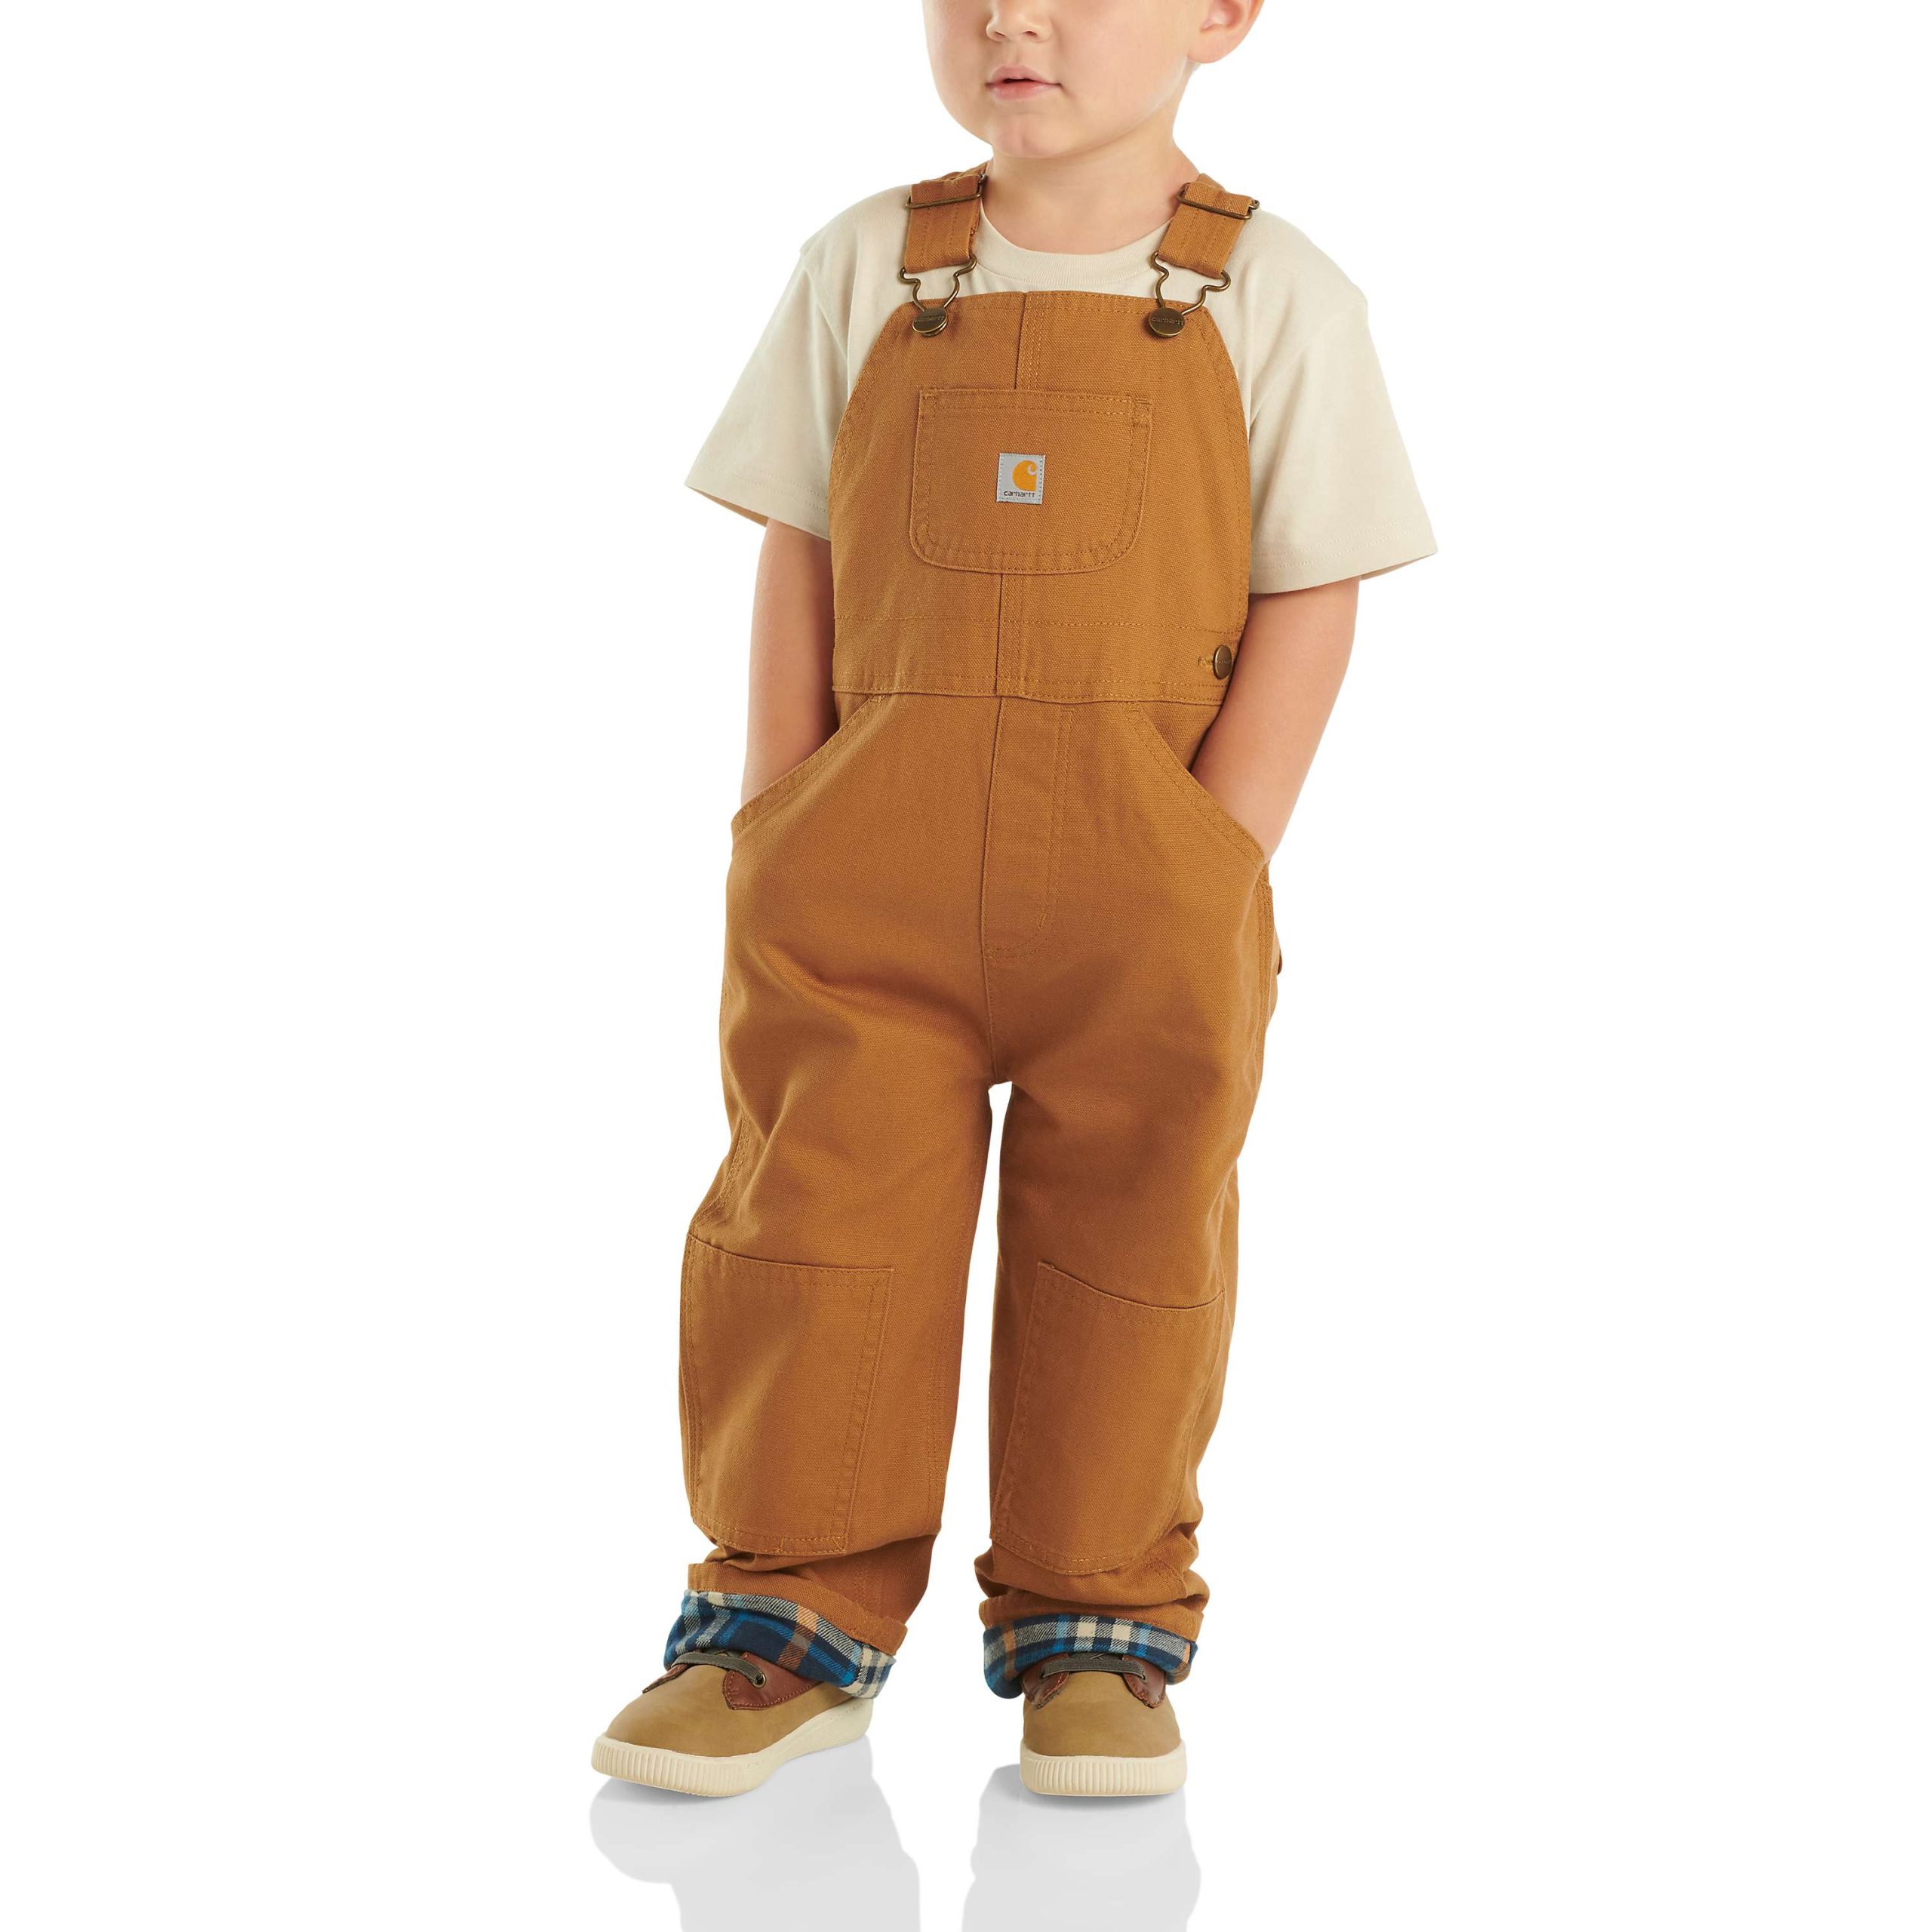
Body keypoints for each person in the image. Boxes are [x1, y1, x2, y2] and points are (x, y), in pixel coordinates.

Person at [592, 0, 1434, 1801]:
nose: (1011, 17)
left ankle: (1094, 1628)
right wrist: (775, 809)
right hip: (858, 878)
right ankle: (783, 1621)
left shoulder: (1275, 291)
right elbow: (802, 541)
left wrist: (1218, 848)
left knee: (1126, 1245)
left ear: (1220, 15)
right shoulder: (866, 263)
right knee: (816, 1228)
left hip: (1144, 888)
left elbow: (1313, 582)